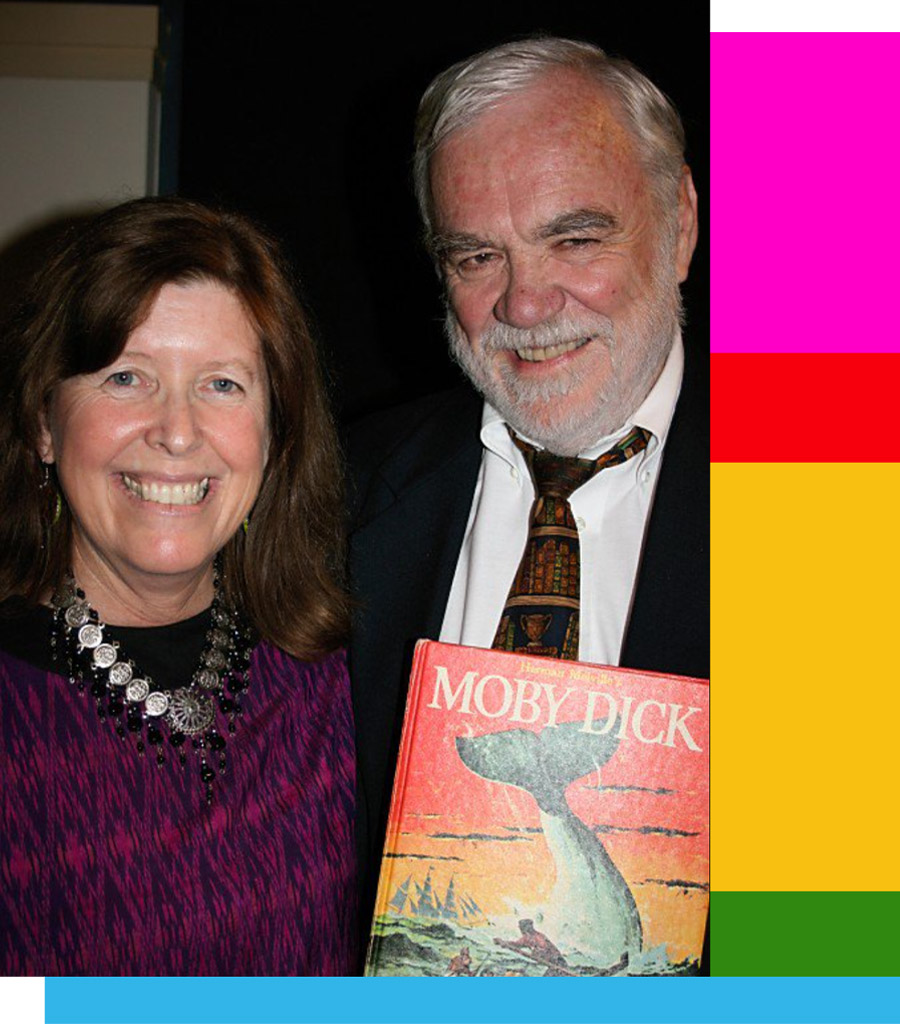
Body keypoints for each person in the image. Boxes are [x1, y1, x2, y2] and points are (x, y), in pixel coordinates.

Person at [348, 37, 707, 938]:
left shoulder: (844, 507)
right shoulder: (335, 492)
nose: (526, 304)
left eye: (575, 238)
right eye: (477, 258)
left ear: (680, 228)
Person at [0, 197, 356, 975]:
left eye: (223, 385)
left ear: (276, 432)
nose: (178, 431)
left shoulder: (342, 685)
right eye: (127, 377)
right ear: (44, 424)